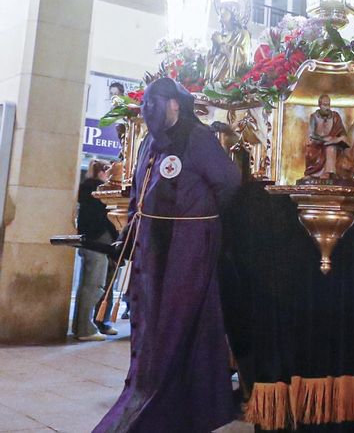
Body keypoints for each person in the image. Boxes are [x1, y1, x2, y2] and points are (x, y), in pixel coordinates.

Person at [94, 78, 242, 433]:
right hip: (152, 243)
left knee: (177, 319)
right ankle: (146, 387)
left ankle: (171, 397)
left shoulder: (198, 138)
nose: (147, 109)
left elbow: (229, 182)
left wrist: (198, 217)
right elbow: (139, 193)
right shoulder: (149, 142)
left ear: (175, 103)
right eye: (145, 103)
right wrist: (129, 233)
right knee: (149, 317)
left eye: (154, 102)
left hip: (188, 244)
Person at [75, 160, 118, 340]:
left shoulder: (87, 189)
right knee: (94, 285)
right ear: (103, 172)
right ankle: (86, 329)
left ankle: (95, 323)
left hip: (95, 241)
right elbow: (103, 219)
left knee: (98, 285)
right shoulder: (99, 191)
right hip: (98, 242)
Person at [303, 94, 352, 180]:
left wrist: (339, 139)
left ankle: (329, 173)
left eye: (328, 105)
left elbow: (342, 133)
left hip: (333, 144)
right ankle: (317, 173)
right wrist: (324, 139)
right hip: (317, 144)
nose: (327, 107)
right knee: (312, 150)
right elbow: (312, 134)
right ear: (319, 105)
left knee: (331, 148)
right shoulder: (314, 117)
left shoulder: (335, 117)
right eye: (324, 105)